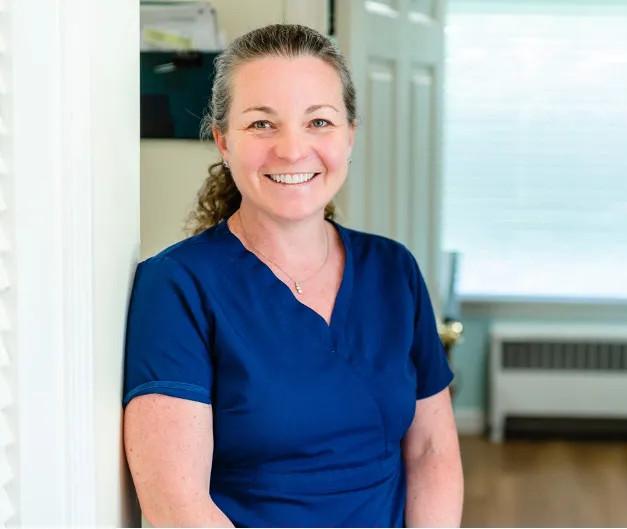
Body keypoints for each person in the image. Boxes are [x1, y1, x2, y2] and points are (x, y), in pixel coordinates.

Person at [122, 24, 463, 528]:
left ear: (350, 134)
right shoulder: (176, 286)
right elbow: (178, 508)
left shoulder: (393, 272)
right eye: (262, 124)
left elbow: (431, 451)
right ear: (222, 140)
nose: (291, 149)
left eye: (319, 122)